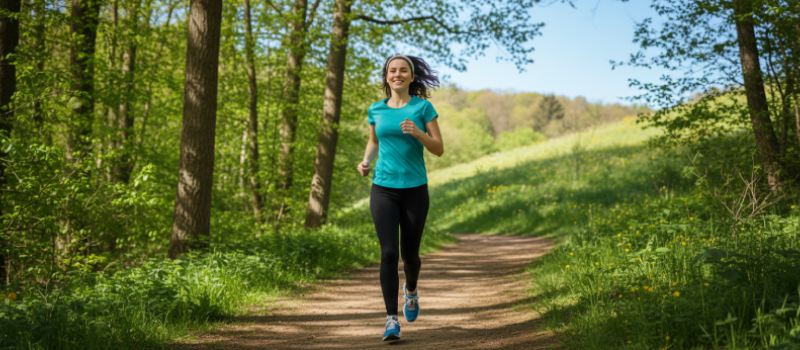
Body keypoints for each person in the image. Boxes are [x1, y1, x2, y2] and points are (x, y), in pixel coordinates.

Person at [357, 54, 444, 342]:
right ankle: (391, 320)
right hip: (383, 187)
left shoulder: (423, 107)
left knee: (410, 256)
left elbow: (439, 149)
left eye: (403, 70)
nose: (397, 74)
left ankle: (411, 291)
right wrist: (366, 161)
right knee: (388, 254)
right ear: (386, 76)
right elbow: (373, 140)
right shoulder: (376, 110)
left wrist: (418, 132)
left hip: (415, 189)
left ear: (411, 76)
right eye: (392, 70)